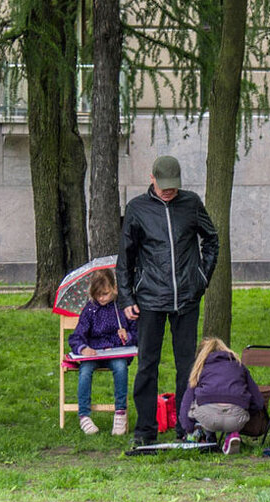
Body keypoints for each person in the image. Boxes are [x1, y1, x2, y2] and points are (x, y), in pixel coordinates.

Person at [116, 155, 219, 447]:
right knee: (147, 363)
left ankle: (186, 427)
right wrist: (127, 296)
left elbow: (211, 240)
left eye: (173, 187)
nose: (168, 191)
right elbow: (126, 258)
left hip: (186, 297)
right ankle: (144, 431)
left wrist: (201, 278)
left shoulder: (191, 204)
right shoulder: (137, 209)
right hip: (148, 299)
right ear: (152, 179)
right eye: (164, 187)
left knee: (187, 365)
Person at [68, 270, 137, 436]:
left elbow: (137, 334)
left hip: (116, 352)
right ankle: (84, 415)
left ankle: (120, 412)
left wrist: (126, 336)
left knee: (120, 368)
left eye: (105, 294)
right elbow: (77, 337)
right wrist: (83, 349)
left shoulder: (123, 307)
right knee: (85, 372)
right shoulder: (90, 310)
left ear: (114, 288)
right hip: (94, 352)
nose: (101, 298)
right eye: (98, 295)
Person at [179, 338, 265, 455]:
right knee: (237, 402)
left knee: (199, 403)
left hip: (208, 418)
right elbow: (258, 401)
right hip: (236, 419)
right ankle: (232, 435)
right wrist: (247, 410)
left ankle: (209, 439)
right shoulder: (239, 366)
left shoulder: (200, 368)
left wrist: (188, 429)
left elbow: (186, 402)